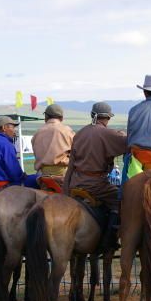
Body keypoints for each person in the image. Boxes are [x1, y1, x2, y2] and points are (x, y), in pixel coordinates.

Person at [64, 102, 127, 250]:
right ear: (106, 118)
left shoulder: (79, 134)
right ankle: (109, 240)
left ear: (92, 115)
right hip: (96, 184)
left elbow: (71, 164)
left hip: (75, 182)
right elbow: (127, 143)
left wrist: (66, 188)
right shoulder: (106, 133)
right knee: (119, 200)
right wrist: (123, 134)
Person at [31, 104, 75, 190]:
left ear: (46, 117)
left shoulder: (37, 133)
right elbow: (77, 151)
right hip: (63, 175)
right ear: (61, 118)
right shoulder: (67, 131)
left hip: (43, 176)